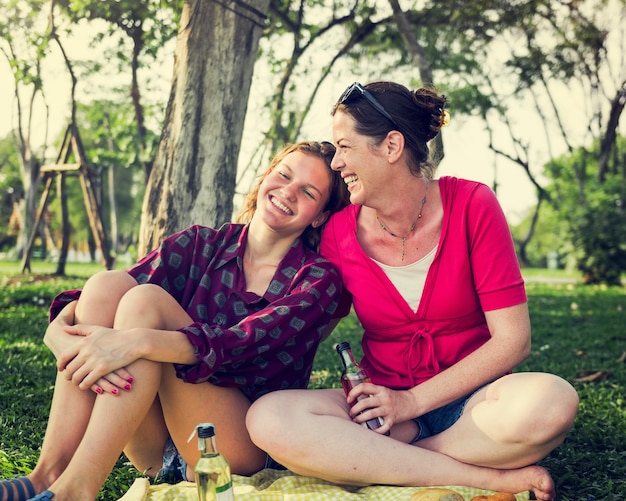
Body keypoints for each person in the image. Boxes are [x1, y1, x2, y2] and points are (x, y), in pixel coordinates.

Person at [246, 82, 579, 501]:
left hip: (478, 406)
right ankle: (488, 478)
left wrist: (412, 402)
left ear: (391, 146)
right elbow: (309, 325)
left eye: (345, 147)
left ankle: (385, 462)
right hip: (384, 409)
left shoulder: (473, 204)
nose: (338, 164)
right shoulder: (337, 234)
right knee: (269, 418)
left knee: (552, 402)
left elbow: (513, 341)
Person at [0, 140, 350, 501]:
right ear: (266, 177)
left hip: (234, 448)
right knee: (108, 284)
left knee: (146, 302)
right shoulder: (202, 244)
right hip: (155, 444)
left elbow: (239, 344)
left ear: (320, 216)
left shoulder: (316, 280)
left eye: (307, 191)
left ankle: (77, 489)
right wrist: (58, 328)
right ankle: (49, 472)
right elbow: (100, 296)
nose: (287, 192)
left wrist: (140, 342)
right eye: (283, 175)